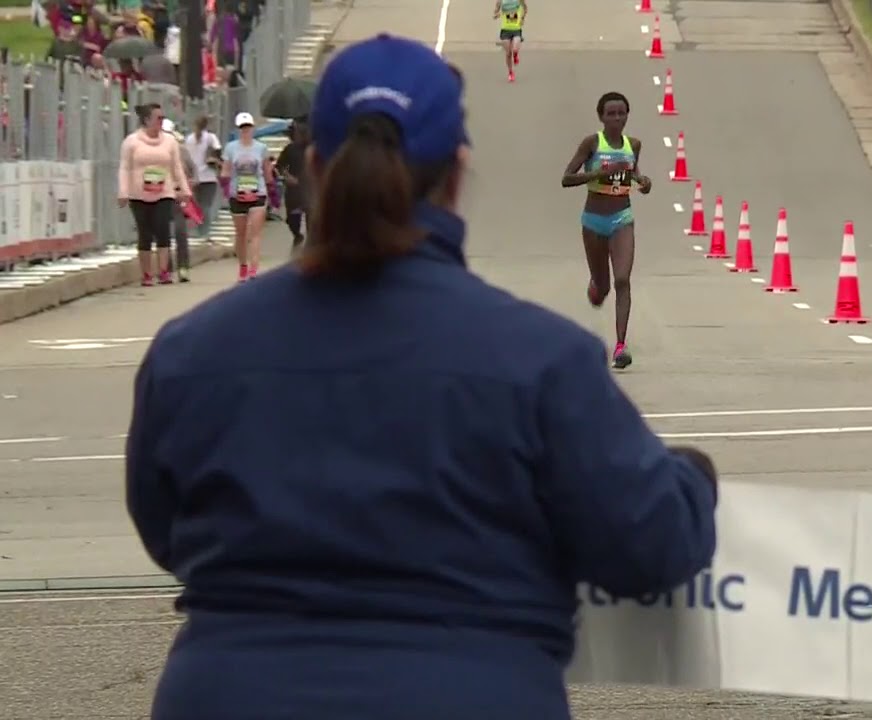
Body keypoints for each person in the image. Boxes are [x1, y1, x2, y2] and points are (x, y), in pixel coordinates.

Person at [125, 33, 717, 720]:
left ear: (314, 166)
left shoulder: (191, 353)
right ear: (457, 173)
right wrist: (691, 478)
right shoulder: (540, 361)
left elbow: (165, 530)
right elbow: (651, 546)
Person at [560, 91, 652, 370]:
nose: (616, 118)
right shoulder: (592, 143)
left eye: (621, 113)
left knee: (622, 280)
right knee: (603, 287)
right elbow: (566, 178)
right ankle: (596, 286)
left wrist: (643, 182)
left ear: (627, 116)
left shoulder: (633, 145)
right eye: (611, 114)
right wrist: (598, 174)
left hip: (622, 219)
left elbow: (632, 174)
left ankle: (620, 347)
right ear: (601, 117)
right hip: (593, 221)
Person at [117, 103, 191, 286]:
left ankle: (164, 271)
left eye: (162, 118)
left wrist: (184, 189)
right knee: (145, 233)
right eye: (158, 118)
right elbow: (124, 168)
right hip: (139, 194)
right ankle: (146, 274)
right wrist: (123, 191)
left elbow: (176, 167)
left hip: (164, 192)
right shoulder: (132, 141)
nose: (161, 121)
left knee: (162, 230)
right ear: (147, 120)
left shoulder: (170, 141)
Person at [220, 111, 273, 282]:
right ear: (238, 129)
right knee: (241, 233)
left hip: (258, 192)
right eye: (242, 127)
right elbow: (226, 170)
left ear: (253, 128)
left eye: (248, 127)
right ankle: (243, 265)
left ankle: (254, 268)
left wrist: (272, 190)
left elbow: (267, 170)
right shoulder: (231, 148)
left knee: (255, 233)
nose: (245, 130)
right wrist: (225, 186)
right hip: (238, 193)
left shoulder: (261, 148)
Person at [162, 117, 198, 282]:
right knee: (163, 235)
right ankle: (166, 270)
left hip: (179, 198)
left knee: (180, 232)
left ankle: (183, 268)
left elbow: (194, 173)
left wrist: (188, 186)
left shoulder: (182, 151)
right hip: (160, 197)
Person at [183, 114, 222, 239]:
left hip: (193, 177)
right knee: (206, 205)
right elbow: (218, 153)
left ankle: (197, 229)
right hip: (208, 176)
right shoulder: (211, 138)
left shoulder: (189, 139)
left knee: (196, 205)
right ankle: (204, 231)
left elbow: (186, 158)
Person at [274, 119, 311, 253]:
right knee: (292, 218)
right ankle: (297, 234)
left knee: (311, 216)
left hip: (310, 188)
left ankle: (310, 243)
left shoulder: (314, 149)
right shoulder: (290, 149)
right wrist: (287, 176)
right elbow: (280, 166)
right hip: (294, 189)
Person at [492, 0, 527, 83]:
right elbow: (496, 12)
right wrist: (496, 15)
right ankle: (510, 72)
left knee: (515, 49)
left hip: (516, 29)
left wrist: (522, 18)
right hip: (505, 30)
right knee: (508, 53)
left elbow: (525, 8)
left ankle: (515, 55)